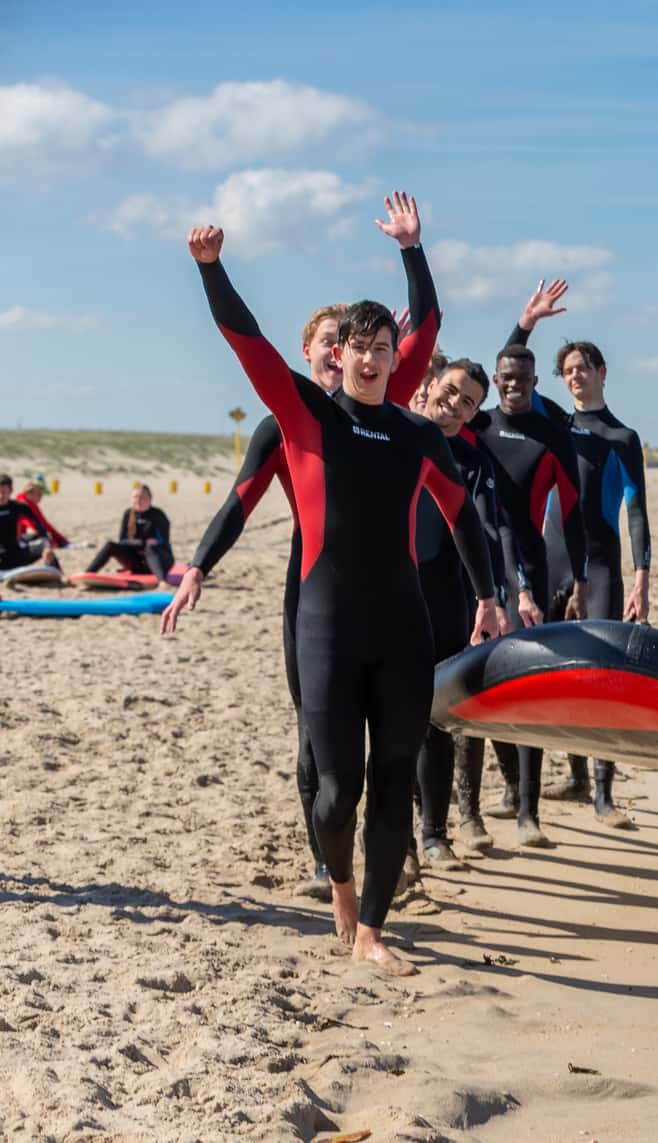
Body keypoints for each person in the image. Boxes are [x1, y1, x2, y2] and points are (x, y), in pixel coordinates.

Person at [189, 203, 501, 977]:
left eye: (382, 347)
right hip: (325, 625)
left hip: (402, 626)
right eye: (357, 346)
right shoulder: (301, 414)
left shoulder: (417, 433)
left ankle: (372, 928)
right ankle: (339, 882)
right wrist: (211, 268)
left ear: (400, 358)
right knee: (336, 791)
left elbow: (463, 518)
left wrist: (488, 596)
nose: (368, 358)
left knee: (395, 779)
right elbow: (247, 341)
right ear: (344, 353)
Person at [163, 226, 443, 901]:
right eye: (331, 342)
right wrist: (199, 564)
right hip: (312, 595)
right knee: (318, 737)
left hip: (389, 595)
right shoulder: (287, 417)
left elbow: (426, 327)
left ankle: (376, 856)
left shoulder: (386, 397)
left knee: (385, 741)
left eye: (372, 346)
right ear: (320, 351)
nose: (345, 355)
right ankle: (328, 861)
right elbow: (240, 500)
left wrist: (411, 249)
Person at [505, 294, 653, 820]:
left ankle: (604, 793)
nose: (574, 377)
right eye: (567, 371)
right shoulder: (553, 425)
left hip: (604, 566)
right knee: (549, 675)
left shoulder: (623, 438)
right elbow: (510, 372)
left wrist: (642, 580)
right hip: (553, 562)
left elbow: (636, 514)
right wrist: (526, 324)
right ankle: (549, 789)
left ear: (602, 373)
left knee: (604, 678)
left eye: (582, 368)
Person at [470, 333, 586, 847]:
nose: (513, 384)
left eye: (523, 378)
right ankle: (512, 788)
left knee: (527, 689)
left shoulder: (550, 434)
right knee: (483, 685)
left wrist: (580, 580)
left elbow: (575, 516)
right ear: (495, 381)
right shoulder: (478, 425)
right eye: (505, 377)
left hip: (530, 573)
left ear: (536, 383)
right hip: (476, 566)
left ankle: (529, 812)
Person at [415, 359, 520, 866]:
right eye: (451, 391)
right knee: (391, 721)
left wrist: (494, 597)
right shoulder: (394, 437)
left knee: (443, 716)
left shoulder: (473, 463)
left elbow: (487, 533)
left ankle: (438, 831)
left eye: (468, 401)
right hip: (387, 596)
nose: (454, 404)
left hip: (449, 601)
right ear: (432, 385)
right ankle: (405, 834)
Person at [83, 485, 175, 583]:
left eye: (142, 497)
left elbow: (163, 541)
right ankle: (87, 574)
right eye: (135, 497)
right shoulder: (128, 514)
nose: (138, 500)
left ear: (150, 498)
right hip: (137, 563)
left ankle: (162, 581)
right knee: (110, 545)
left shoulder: (158, 515)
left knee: (151, 547)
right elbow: (122, 541)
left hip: (160, 561)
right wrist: (142, 543)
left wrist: (147, 545)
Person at [0, 475, 61, 571]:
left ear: (10, 491)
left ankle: (59, 576)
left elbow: (40, 528)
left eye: (4, 492)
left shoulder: (18, 507)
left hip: (16, 555)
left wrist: (47, 547)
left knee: (46, 549)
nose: (0, 496)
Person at [14, 480, 70, 559]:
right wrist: (51, 542)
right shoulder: (22, 504)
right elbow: (32, 525)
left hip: (19, 538)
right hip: (15, 540)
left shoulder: (28, 503)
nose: (41, 498)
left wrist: (60, 539)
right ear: (29, 493)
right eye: (39, 494)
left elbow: (44, 523)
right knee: (37, 532)